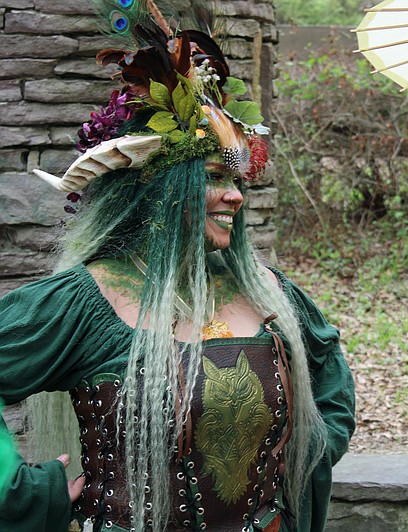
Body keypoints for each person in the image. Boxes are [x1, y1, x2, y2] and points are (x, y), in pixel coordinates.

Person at [0, 3, 355, 531]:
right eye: (214, 177)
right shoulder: (86, 302)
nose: (235, 196)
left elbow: (329, 379)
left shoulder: (269, 295)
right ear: (158, 187)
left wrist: (297, 457)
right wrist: (23, 492)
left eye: (238, 181)